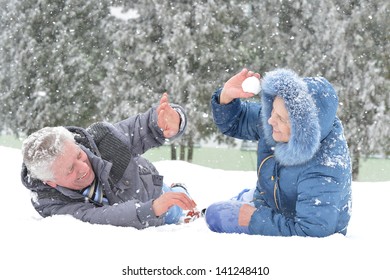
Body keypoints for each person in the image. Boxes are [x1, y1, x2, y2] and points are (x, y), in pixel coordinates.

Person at [205, 68, 352, 237]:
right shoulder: (275, 120)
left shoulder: (325, 170)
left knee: (215, 215)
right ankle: (251, 196)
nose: (270, 120)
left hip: (290, 221)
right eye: (272, 110)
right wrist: (226, 97)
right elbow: (235, 121)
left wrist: (254, 219)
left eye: (281, 118)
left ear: (302, 129)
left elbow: (312, 232)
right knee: (215, 211)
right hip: (270, 199)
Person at [21, 93, 200, 229]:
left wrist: (168, 121)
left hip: (147, 188)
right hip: (147, 208)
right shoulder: (49, 201)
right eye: (70, 170)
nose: (83, 167)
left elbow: (142, 127)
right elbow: (95, 217)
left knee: (175, 209)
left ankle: (178, 188)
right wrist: (148, 210)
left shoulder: (103, 139)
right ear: (50, 182)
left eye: (79, 155)